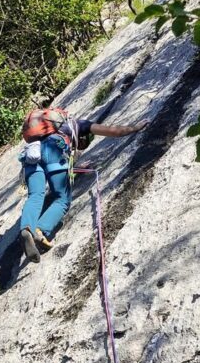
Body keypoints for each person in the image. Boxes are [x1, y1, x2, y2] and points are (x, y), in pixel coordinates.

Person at [19, 108, 147, 263]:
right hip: (52, 152)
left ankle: (27, 228)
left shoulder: (49, 129)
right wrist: (136, 127)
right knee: (62, 200)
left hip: (31, 156)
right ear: (83, 137)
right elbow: (116, 131)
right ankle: (40, 229)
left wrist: (76, 170)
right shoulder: (79, 125)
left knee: (35, 196)